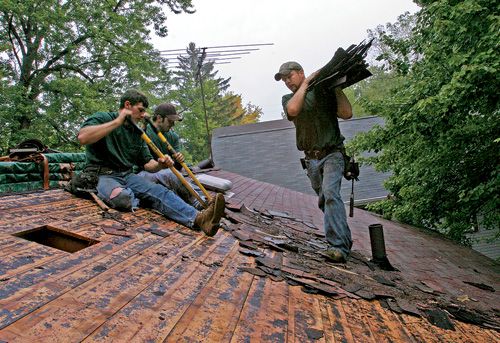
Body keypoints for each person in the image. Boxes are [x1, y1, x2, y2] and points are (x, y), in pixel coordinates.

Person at [77, 89, 224, 236]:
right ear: (127, 105)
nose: (142, 116)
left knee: (160, 192)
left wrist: (161, 164)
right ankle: (137, 197)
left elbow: (148, 164)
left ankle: (199, 219)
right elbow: (82, 137)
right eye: (140, 110)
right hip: (101, 175)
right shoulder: (103, 117)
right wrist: (117, 122)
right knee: (124, 199)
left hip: (127, 176)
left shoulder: (137, 133)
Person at [275, 61, 353, 262]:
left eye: (289, 76)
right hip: (311, 159)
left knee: (330, 194)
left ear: (300, 72)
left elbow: (346, 113)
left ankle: (338, 247)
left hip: (333, 154)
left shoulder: (324, 92)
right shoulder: (289, 98)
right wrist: (307, 82)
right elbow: (292, 110)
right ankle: (344, 239)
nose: (286, 82)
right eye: (283, 79)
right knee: (325, 200)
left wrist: (335, 88)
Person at [137, 103, 206, 210]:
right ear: (159, 118)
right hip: (145, 174)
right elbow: (144, 162)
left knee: (189, 182)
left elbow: (177, 167)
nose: (173, 124)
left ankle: (208, 200)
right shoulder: (145, 132)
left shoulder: (173, 137)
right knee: (169, 174)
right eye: (170, 121)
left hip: (166, 173)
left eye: (174, 121)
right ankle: (199, 205)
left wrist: (178, 159)